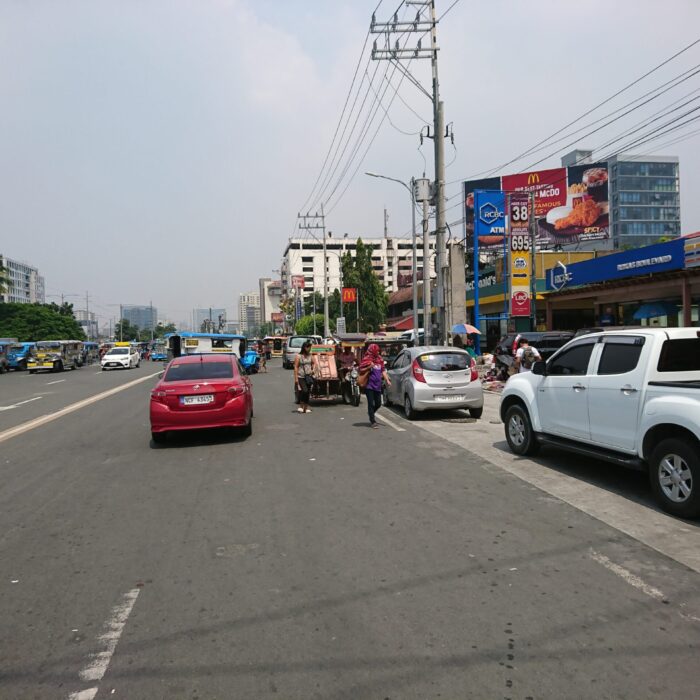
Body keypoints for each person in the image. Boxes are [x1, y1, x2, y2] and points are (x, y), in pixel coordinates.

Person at [360, 343, 391, 428]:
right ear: (372, 351)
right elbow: (361, 370)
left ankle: (371, 413)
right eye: (376, 351)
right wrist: (369, 367)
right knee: (371, 403)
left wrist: (387, 380)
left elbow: (383, 370)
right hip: (369, 385)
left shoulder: (380, 359)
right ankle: (373, 421)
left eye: (378, 351)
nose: (378, 352)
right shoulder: (367, 359)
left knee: (378, 403)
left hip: (378, 385)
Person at [293, 341, 314, 414]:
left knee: (308, 392)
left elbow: (314, 363)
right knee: (304, 390)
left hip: (308, 376)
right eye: (308, 347)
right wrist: (296, 379)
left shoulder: (310, 356)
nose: (309, 349)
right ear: (304, 348)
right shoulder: (298, 356)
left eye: (310, 347)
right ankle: (301, 405)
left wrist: (313, 370)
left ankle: (305, 408)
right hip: (301, 376)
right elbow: (296, 367)